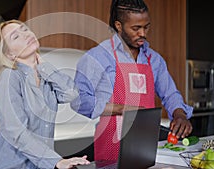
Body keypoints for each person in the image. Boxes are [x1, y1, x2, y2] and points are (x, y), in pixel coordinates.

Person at [70, 0, 193, 161]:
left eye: (146, 27)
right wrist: (122, 109)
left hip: (147, 143)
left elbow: (170, 94)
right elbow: (78, 100)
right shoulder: (98, 57)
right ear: (119, 26)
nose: (143, 33)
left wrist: (179, 114)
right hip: (111, 144)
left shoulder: (154, 60)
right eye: (136, 28)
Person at [0, 19, 90, 169]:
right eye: (15, 37)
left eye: (24, 29)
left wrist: (44, 67)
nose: (25, 34)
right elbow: (17, 132)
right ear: (9, 54)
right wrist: (56, 161)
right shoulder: (9, 77)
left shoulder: (46, 77)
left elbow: (72, 94)